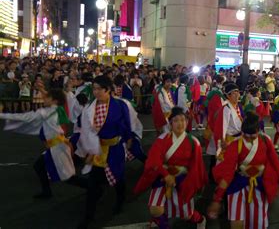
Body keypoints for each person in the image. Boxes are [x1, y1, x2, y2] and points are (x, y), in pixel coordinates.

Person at [208, 112, 279, 229]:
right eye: (246, 135)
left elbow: (275, 163)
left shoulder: (265, 141)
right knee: (236, 223)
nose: (249, 138)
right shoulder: (235, 144)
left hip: (259, 185)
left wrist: (276, 182)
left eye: (253, 135)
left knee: (258, 224)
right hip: (238, 185)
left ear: (258, 130)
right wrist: (217, 199)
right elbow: (228, 173)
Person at [134, 107, 207, 229]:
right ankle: (163, 224)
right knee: (155, 209)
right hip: (163, 176)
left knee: (186, 215)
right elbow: (153, 160)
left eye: (183, 120)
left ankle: (200, 219)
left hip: (183, 179)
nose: (180, 123)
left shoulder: (194, 142)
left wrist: (196, 184)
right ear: (170, 123)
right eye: (176, 120)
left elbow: (197, 166)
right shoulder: (162, 140)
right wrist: (166, 174)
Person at [76, 75, 132, 228]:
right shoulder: (89, 108)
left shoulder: (120, 105)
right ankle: (89, 216)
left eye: (99, 89)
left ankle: (120, 203)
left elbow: (127, 125)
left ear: (108, 90)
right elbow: (85, 132)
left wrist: (128, 140)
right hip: (97, 150)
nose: (96, 92)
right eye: (94, 89)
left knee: (118, 179)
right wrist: (87, 151)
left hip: (114, 150)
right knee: (93, 185)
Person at [0, 88, 75, 199]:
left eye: (47, 97)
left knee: (67, 177)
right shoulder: (56, 109)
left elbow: (23, 117)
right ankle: (47, 192)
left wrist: (1, 115)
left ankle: (91, 187)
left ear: (54, 100)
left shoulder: (45, 112)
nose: (43, 98)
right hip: (58, 145)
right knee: (39, 166)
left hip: (57, 147)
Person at [214, 82, 243, 160]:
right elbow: (222, 126)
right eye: (233, 93)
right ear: (228, 95)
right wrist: (222, 142)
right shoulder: (226, 108)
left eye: (237, 92)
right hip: (230, 140)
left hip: (238, 138)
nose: (237, 94)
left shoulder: (236, 105)